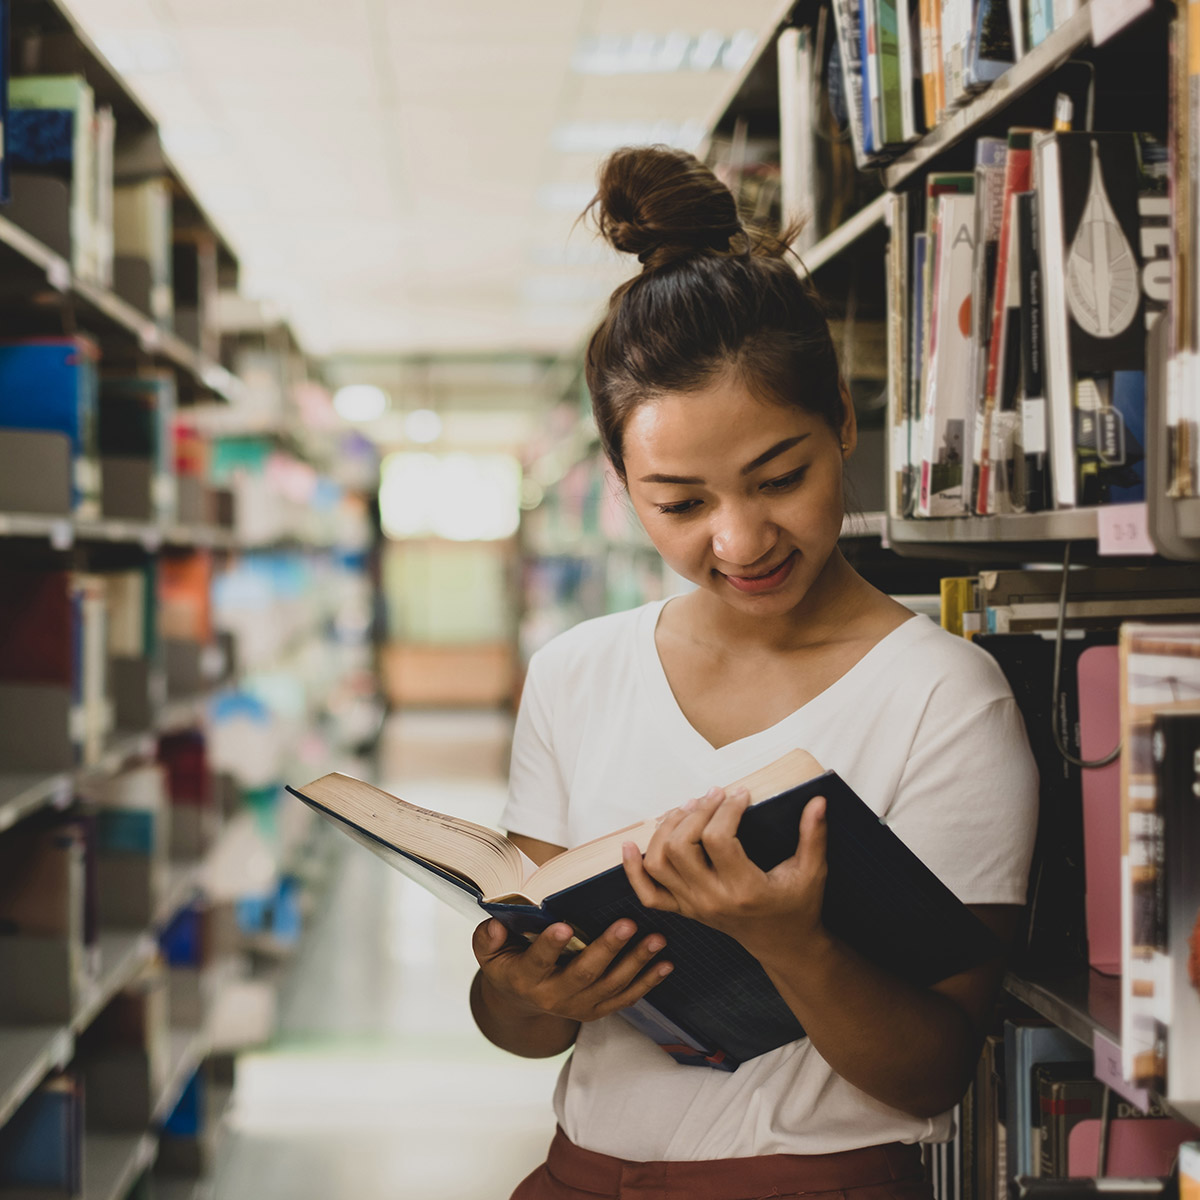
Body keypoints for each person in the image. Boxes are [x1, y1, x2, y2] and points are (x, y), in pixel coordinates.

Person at [470, 145, 1039, 1200]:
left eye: (780, 478)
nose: (740, 542)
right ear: (622, 487)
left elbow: (935, 1071)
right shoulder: (577, 672)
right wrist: (530, 988)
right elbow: (521, 1032)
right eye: (680, 504)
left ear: (844, 429)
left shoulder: (945, 697)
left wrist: (794, 944)